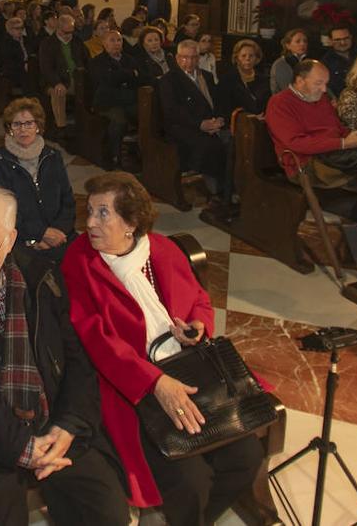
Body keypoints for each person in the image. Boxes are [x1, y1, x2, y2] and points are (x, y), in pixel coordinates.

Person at [0, 183, 129, 526]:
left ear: (11, 239)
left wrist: (69, 426)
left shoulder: (41, 277)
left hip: (54, 420)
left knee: (109, 512)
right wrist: (21, 448)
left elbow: (75, 360)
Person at [62, 173, 265, 524]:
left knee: (245, 460)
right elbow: (97, 340)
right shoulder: (79, 262)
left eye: (103, 213)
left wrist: (197, 328)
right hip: (134, 388)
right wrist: (155, 382)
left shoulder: (162, 249)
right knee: (190, 484)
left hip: (192, 372)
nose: (90, 223)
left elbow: (198, 300)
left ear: (132, 222)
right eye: (90, 211)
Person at [265, 59, 357, 227]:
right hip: (307, 165)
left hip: (334, 156)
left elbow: (338, 129)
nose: (324, 89)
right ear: (299, 81)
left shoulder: (321, 97)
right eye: (319, 83)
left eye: (325, 83)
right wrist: (343, 143)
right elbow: (297, 144)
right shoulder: (280, 103)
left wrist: (355, 137)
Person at [0, 98, 75, 261]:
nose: (23, 130)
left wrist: (59, 231)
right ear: (9, 128)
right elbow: (5, 211)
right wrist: (40, 234)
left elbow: (67, 200)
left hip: (60, 235)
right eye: (17, 124)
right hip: (22, 239)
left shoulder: (53, 156)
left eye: (29, 124)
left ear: (38, 126)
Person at [160, 39, 234, 221]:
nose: (189, 62)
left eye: (194, 57)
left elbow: (217, 101)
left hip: (210, 124)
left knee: (234, 142)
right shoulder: (169, 80)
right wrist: (201, 124)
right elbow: (172, 111)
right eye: (185, 58)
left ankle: (232, 187)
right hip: (183, 127)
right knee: (210, 146)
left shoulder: (206, 76)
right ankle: (217, 193)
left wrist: (219, 119)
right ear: (177, 58)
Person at [88, 29, 139, 169]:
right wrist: (128, 74)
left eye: (119, 40)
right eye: (112, 40)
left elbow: (137, 80)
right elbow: (106, 81)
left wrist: (119, 76)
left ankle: (139, 153)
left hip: (128, 100)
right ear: (104, 43)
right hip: (107, 102)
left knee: (146, 115)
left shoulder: (130, 59)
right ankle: (115, 156)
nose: (116, 43)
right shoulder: (97, 62)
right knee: (119, 119)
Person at [38, 14, 88, 136]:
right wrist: (57, 82)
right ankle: (61, 127)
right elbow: (46, 68)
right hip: (56, 80)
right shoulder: (48, 43)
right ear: (58, 29)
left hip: (78, 79)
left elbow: (87, 60)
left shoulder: (77, 41)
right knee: (58, 92)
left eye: (71, 31)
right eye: (66, 32)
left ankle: (85, 124)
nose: (69, 35)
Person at [218, 38, 270, 119]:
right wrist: (249, 117)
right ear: (236, 58)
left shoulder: (264, 79)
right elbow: (224, 109)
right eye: (243, 55)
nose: (247, 59)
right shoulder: (227, 79)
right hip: (236, 124)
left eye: (251, 56)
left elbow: (267, 104)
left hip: (261, 122)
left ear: (257, 59)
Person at [0, 16, 34, 96]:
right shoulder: (6, 42)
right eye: (17, 28)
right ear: (9, 30)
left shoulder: (26, 39)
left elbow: (32, 52)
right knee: (27, 76)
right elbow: (8, 60)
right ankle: (28, 100)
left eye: (21, 28)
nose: (20, 31)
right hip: (13, 69)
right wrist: (23, 65)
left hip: (29, 65)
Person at [320, 26, 357, 98]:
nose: (342, 42)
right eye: (337, 40)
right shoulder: (326, 62)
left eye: (346, 38)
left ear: (351, 37)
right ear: (330, 41)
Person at [268, 28, 308, 95]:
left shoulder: (309, 62)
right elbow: (286, 88)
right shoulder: (280, 64)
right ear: (288, 45)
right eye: (298, 41)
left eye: (305, 41)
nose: (302, 44)